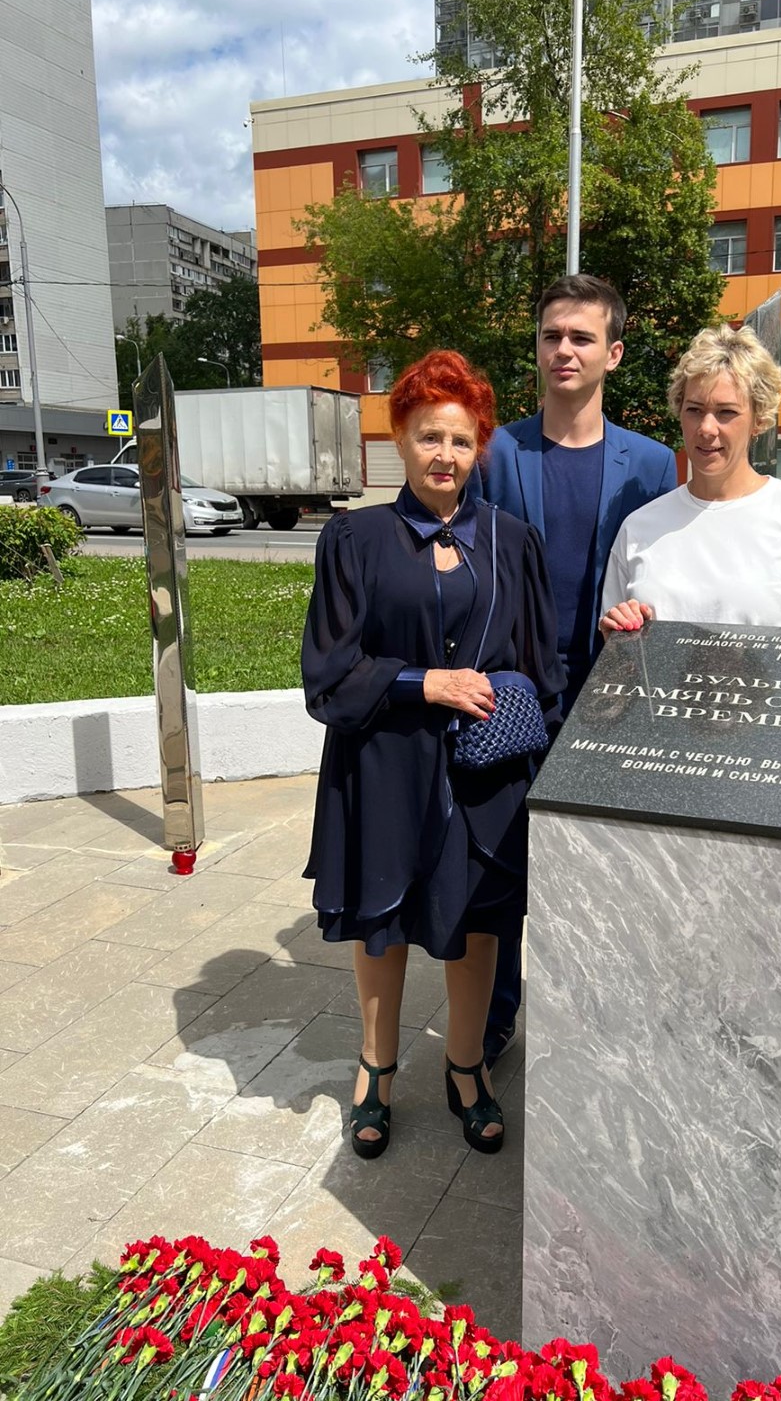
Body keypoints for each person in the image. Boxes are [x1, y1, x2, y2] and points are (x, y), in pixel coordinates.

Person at [302, 350, 566, 1162]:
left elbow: (543, 665)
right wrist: (430, 684)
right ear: (400, 441)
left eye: (460, 438)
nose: (444, 455)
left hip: (486, 775)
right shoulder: (355, 539)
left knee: (478, 925)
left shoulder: (514, 542)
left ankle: (465, 1068)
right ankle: (375, 1075)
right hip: (382, 767)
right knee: (381, 925)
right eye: (428, 437)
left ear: (480, 444)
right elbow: (327, 676)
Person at [476, 273, 677, 1063]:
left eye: (581, 337)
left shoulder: (652, 465)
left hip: (606, 700)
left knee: (596, 875)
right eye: (552, 335)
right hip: (510, 696)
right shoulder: (496, 451)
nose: (564, 349)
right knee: (499, 871)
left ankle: (586, 1023)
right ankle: (491, 1020)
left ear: (613, 353)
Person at [600, 324, 781, 636]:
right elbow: (619, 664)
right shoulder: (639, 527)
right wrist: (619, 635)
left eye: (726, 412)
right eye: (694, 410)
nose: (707, 428)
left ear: (759, 419)